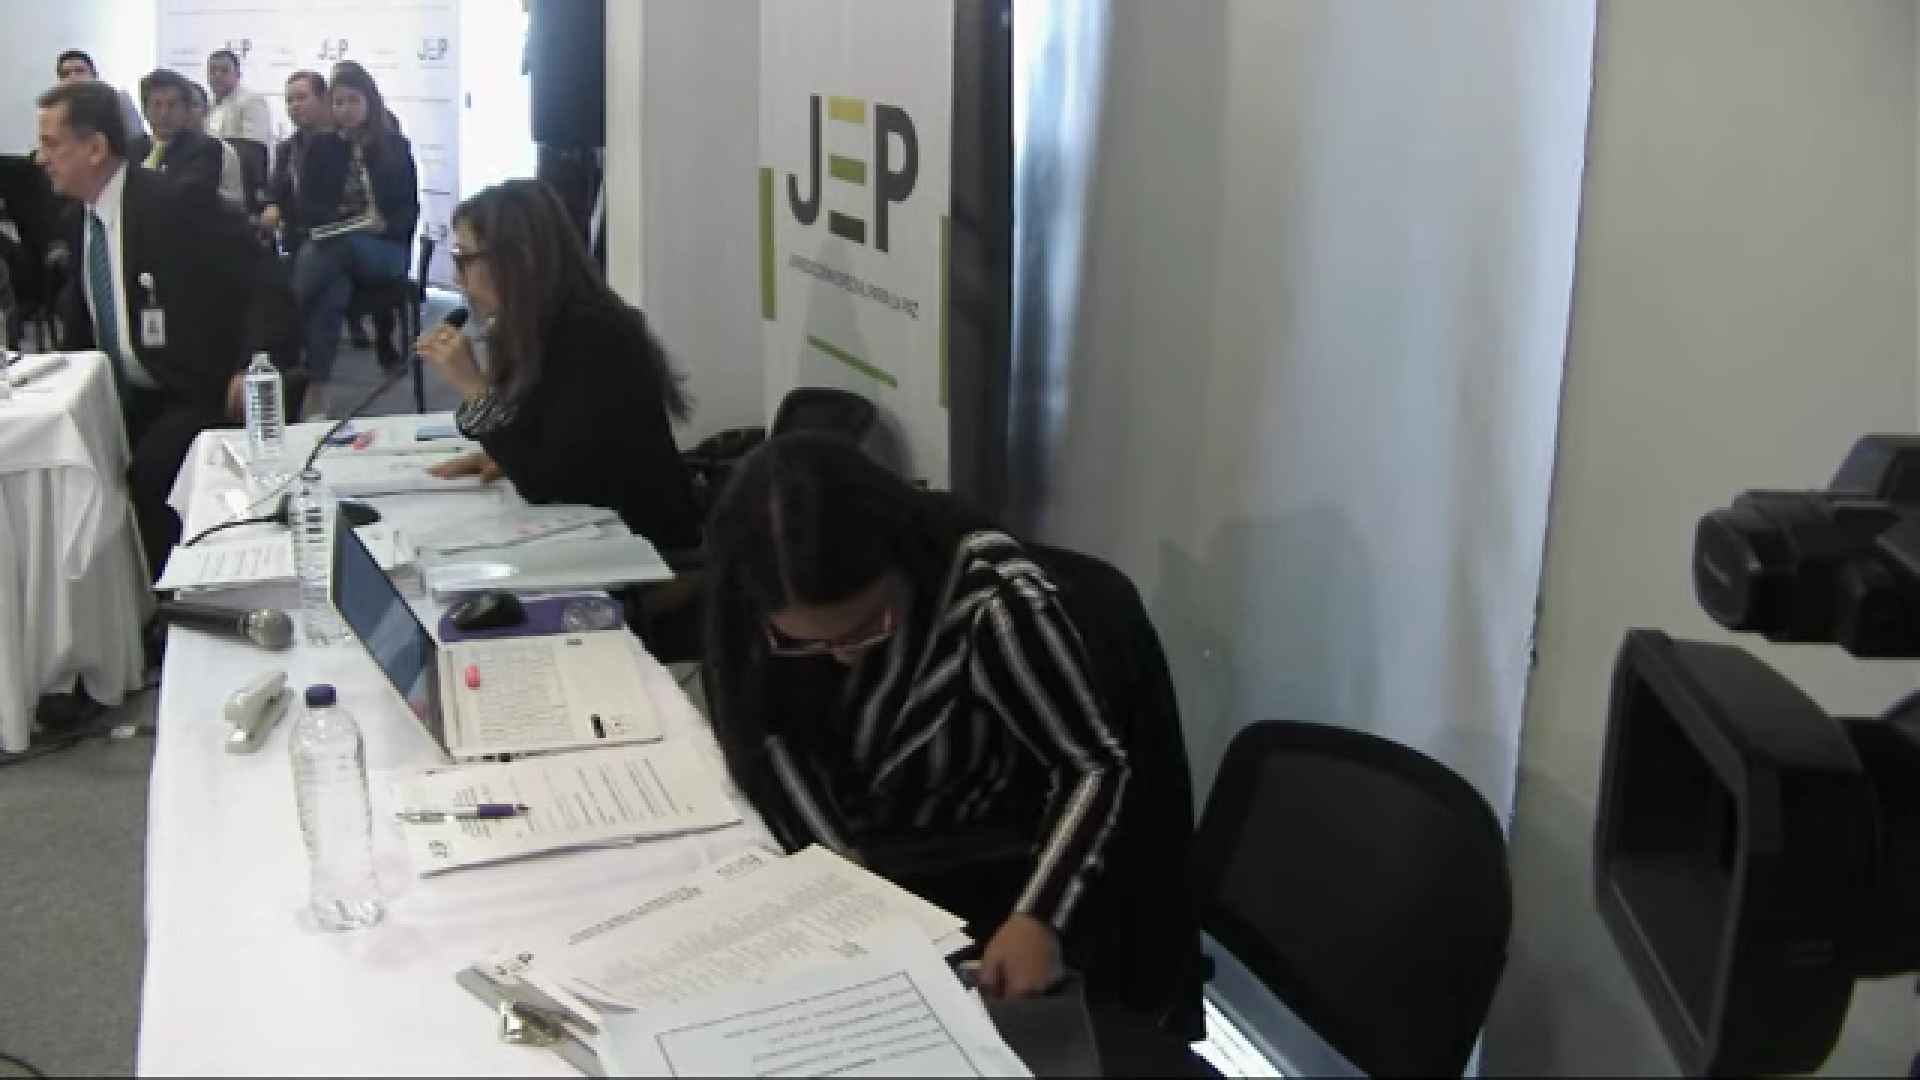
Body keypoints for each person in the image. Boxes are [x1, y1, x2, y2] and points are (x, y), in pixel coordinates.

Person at [699, 434, 1201, 1015]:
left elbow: (1093, 766)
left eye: (866, 627)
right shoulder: (749, 607)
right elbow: (770, 738)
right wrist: (843, 877)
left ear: (899, 559)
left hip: (973, 874)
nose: (842, 656)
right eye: (805, 641)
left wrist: (1038, 918)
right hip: (863, 876)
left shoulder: (995, 604)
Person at [36, 79, 258, 572]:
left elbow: (260, 275)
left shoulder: (173, 203)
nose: (40, 158)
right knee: (58, 463)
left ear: (95, 149)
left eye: (52, 144)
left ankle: (171, 595)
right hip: (118, 391)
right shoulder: (79, 221)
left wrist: (254, 362)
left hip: (191, 385)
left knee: (148, 474)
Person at [419, 179, 701, 550]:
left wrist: (474, 389)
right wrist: (503, 456)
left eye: (464, 258)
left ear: (517, 258)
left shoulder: (596, 333)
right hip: (591, 530)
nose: (458, 278)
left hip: (643, 546)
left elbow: (547, 482)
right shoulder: (528, 325)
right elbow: (543, 443)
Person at [290, 61, 416, 383]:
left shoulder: (395, 146)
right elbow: (306, 207)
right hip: (336, 241)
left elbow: (408, 210)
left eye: (353, 101)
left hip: (386, 249)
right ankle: (317, 390)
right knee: (332, 291)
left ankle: (286, 318)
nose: (345, 110)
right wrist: (340, 220)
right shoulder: (322, 147)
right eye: (338, 102)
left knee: (330, 250)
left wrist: (384, 226)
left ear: (370, 101)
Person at [259, 70, 339, 257]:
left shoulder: (344, 140)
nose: (294, 106)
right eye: (289, 101)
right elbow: (275, 193)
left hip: (335, 235)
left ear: (323, 99)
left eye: (302, 98)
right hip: (297, 238)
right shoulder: (287, 148)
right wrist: (272, 206)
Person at [137, 68, 222, 200]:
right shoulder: (133, 148)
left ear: (186, 111)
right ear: (145, 111)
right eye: (157, 105)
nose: (164, 114)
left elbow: (187, 195)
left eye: (172, 105)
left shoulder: (206, 148)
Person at [54, 50, 148, 163]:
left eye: (80, 71)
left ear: (94, 76)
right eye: (66, 74)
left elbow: (138, 143)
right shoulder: (55, 113)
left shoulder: (118, 100)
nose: (73, 77)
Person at [185, 79, 247, 210]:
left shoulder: (224, 150)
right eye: (183, 105)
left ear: (206, 110)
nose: (188, 111)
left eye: (194, 105)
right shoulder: (162, 146)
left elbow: (236, 202)